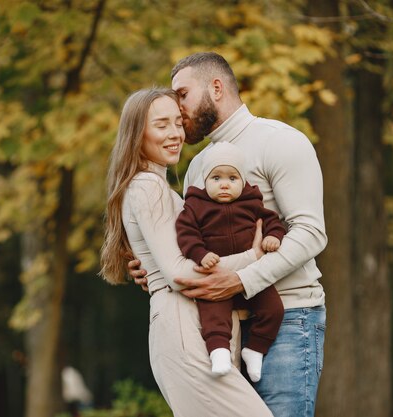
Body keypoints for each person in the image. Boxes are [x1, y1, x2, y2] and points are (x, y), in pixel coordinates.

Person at [128, 52, 328, 417]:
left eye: (183, 94)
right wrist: (152, 265)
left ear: (216, 88)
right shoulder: (196, 170)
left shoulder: (280, 141)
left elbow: (311, 233)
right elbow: (189, 247)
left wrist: (240, 280)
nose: (178, 107)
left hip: (287, 320)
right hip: (223, 328)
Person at [100, 87, 273, 416]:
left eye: (177, 123)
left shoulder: (155, 187)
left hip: (196, 325)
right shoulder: (148, 186)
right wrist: (252, 257)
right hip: (184, 325)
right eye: (161, 124)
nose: (175, 133)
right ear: (138, 133)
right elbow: (178, 274)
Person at [176, 141, 285, 383]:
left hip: (250, 278)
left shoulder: (252, 203)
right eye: (216, 178)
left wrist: (272, 237)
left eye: (232, 178)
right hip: (215, 276)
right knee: (214, 318)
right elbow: (185, 234)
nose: (224, 184)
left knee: (274, 310)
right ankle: (219, 353)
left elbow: (273, 222)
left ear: (243, 181)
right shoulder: (195, 206)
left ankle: (255, 350)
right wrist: (200, 253)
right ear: (204, 181)